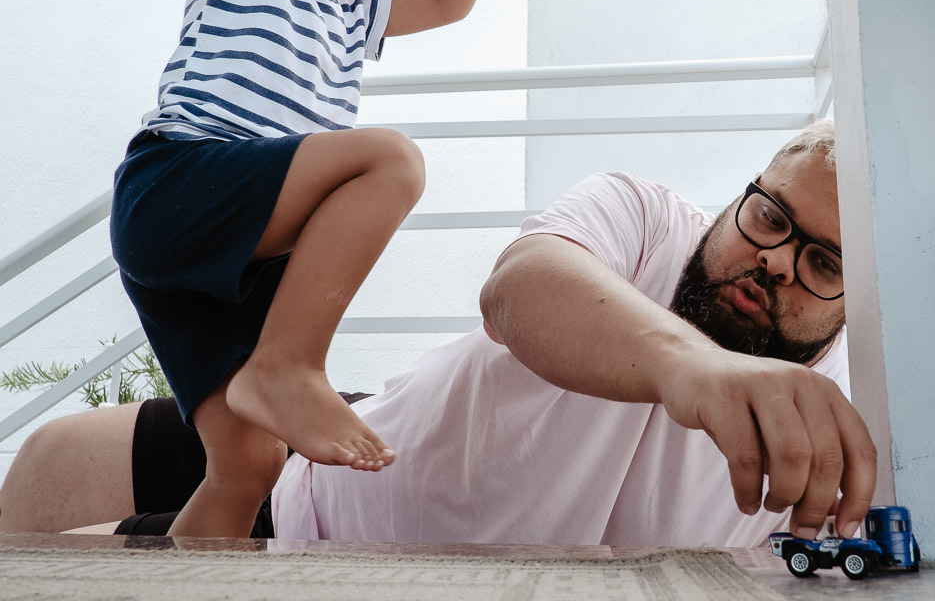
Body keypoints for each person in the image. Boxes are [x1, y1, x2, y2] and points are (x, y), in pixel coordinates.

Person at [0, 120, 877, 547]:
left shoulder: (838, 412)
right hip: (357, 442)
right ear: (741, 193)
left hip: (338, 545)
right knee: (46, 463)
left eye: (823, 264)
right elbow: (520, 291)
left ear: (852, 305)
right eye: (767, 216)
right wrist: (699, 374)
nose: (774, 262)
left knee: (75, 569)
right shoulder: (646, 215)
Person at [106, 0, 536, 538]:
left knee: (248, 465)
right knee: (390, 160)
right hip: (179, 189)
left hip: (237, 260)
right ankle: (290, 365)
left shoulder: (350, 10)